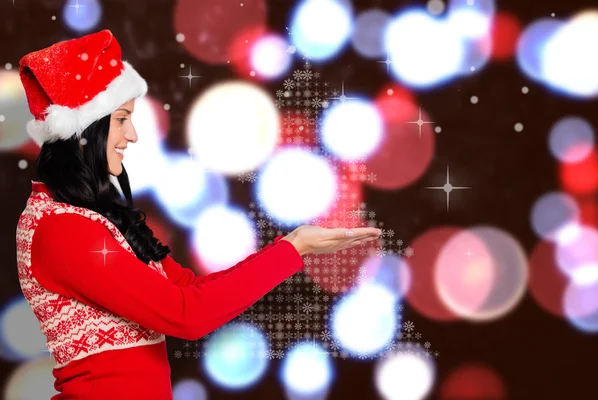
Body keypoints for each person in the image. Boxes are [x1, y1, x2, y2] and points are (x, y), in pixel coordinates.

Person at [15, 30, 382, 399]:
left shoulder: (83, 217)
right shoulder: (62, 229)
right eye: (122, 118)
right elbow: (186, 315)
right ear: (85, 129)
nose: (133, 135)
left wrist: (293, 245)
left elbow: (187, 289)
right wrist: (293, 249)